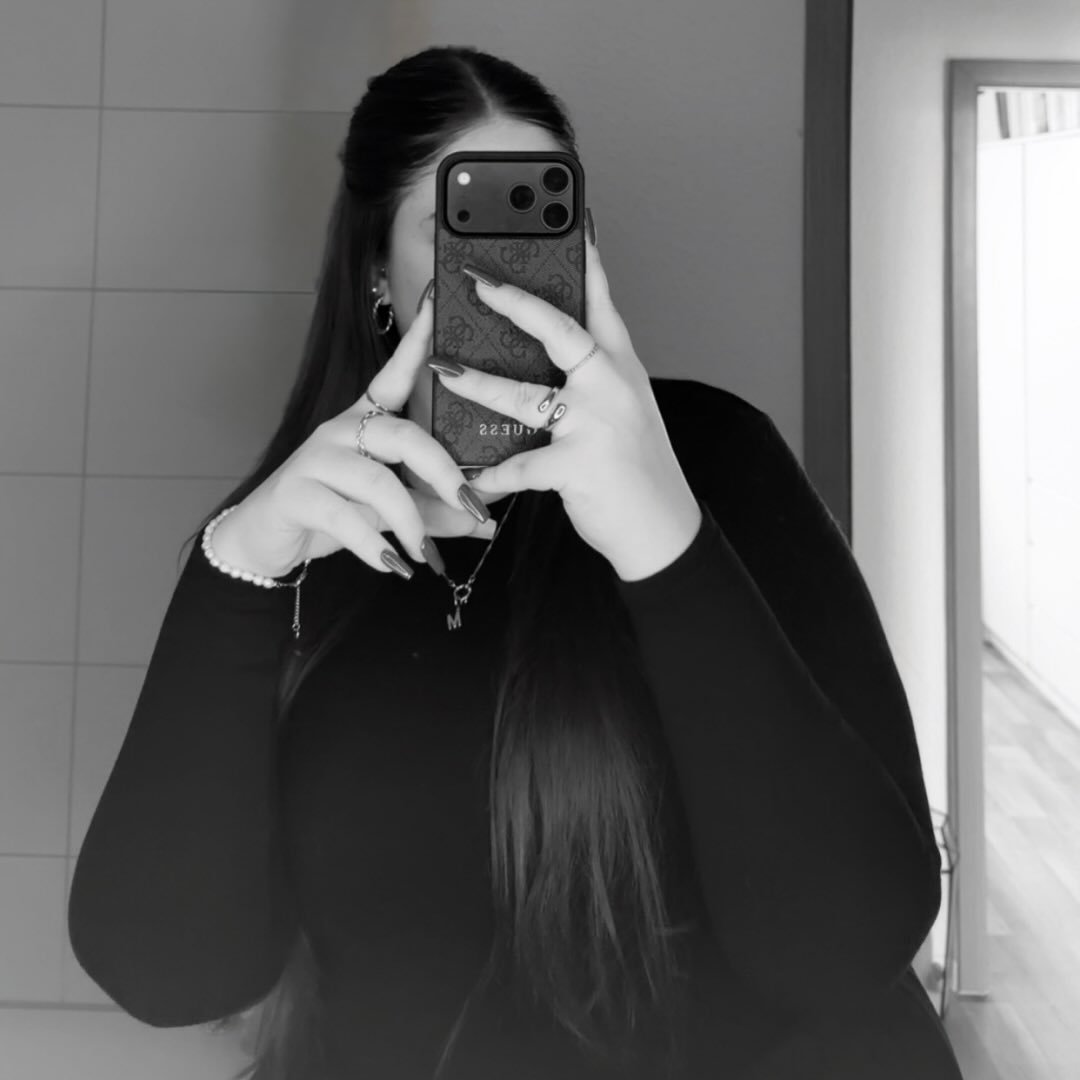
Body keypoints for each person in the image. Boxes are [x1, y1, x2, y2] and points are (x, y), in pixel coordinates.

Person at [67, 44, 964, 1080]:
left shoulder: (715, 457)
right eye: (459, 226)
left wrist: (668, 545)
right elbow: (167, 973)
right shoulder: (295, 535)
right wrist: (233, 570)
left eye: (543, 221)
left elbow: (851, 941)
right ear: (376, 275)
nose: (501, 271)